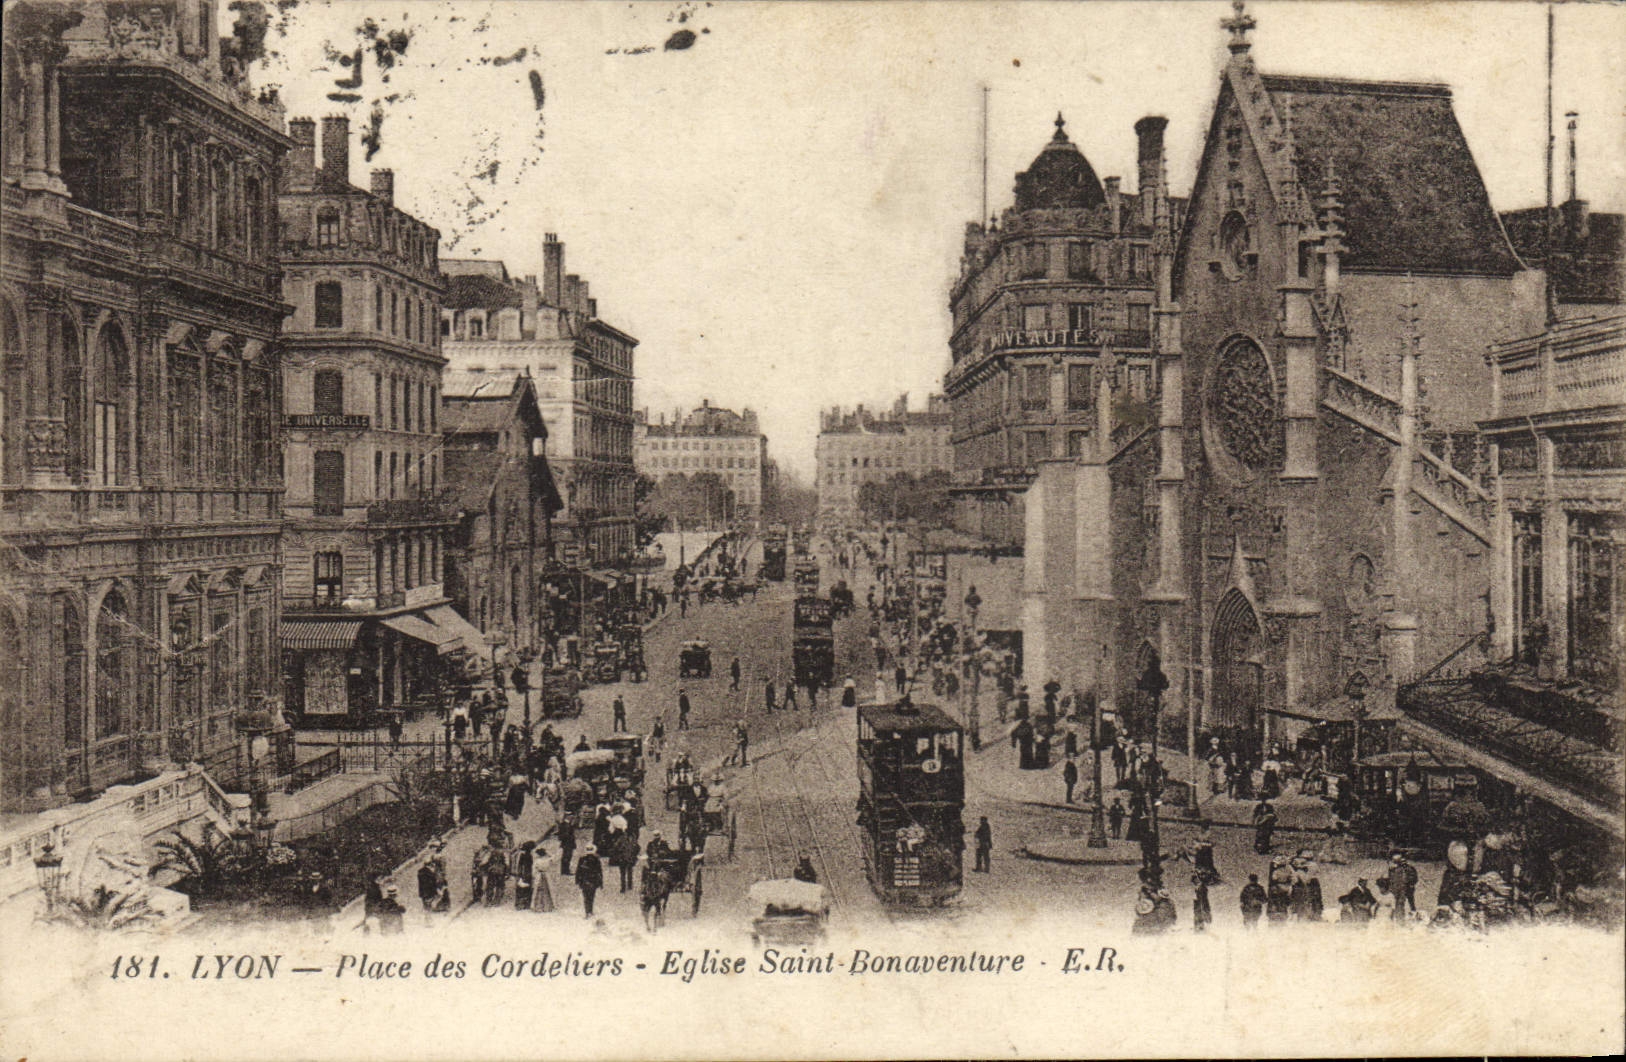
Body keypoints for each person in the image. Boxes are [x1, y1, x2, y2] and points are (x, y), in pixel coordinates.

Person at [575, 844, 604, 917]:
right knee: (591, 896)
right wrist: (600, 882)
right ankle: (590, 910)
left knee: (586, 896)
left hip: (584, 880)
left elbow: (578, 870)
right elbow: (599, 871)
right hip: (593, 880)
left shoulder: (582, 859)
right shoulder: (596, 859)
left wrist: (577, 880)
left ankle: (587, 911)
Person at [1389, 852, 1419, 921]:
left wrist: (1411, 884)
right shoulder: (1394, 869)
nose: (1403, 864)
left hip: (1408, 888)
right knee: (1399, 902)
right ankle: (1399, 915)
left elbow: (1415, 878)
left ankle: (1413, 914)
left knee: (1410, 902)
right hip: (1400, 888)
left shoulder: (1410, 868)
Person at [530, 842, 556, 913]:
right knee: (546, 890)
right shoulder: (547, 860)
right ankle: (547, 907)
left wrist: (534, 876)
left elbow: (533, 869)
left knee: (538, 891)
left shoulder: (537, 861)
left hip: (539, 875)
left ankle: (538, 907)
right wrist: (548, 853)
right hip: (546, 875)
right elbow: (554, 857)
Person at [513, 841, 536, 911]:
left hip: (522, 873)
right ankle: (525, 904)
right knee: (527, 888)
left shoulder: (522, 855)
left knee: (520, 888)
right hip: (526, 873)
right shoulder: (528, 856)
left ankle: (519, 904)